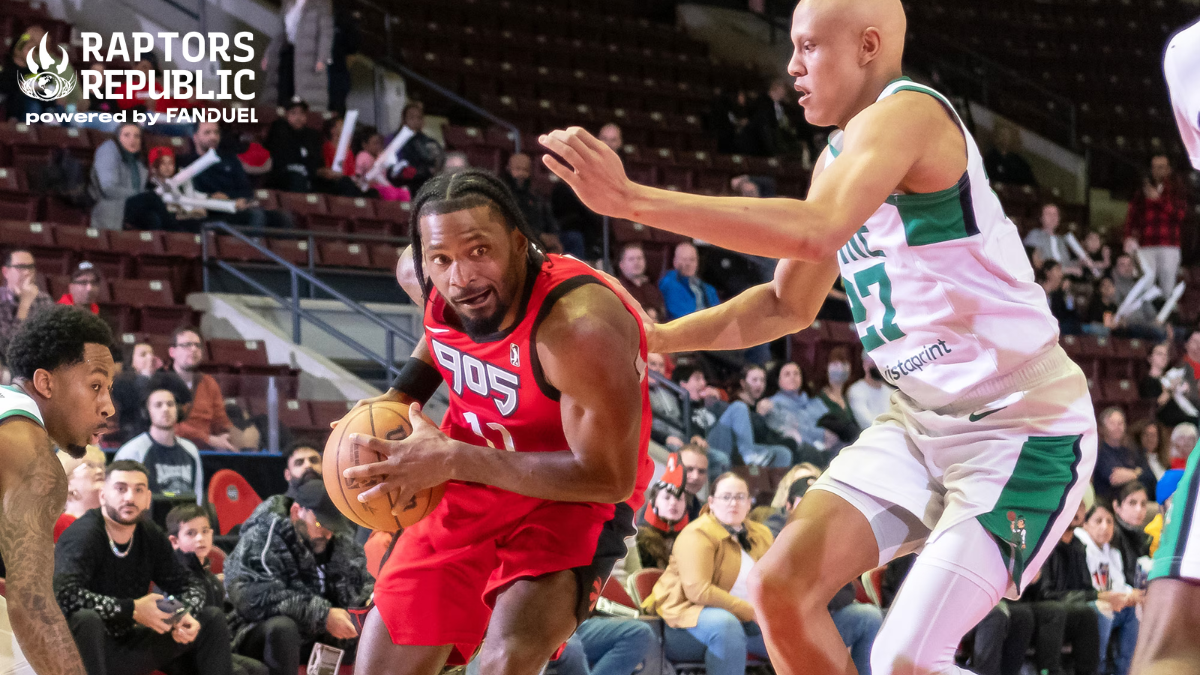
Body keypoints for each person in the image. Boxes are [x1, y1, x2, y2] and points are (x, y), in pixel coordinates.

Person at [539, 0, 1098, 670]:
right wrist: (661, 339)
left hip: (1021, 428)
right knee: (779, 586)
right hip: (918, 422)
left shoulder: (911, 113)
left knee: (906, 656)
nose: (791, 64)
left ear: (867, 45)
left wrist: (635, 200)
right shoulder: (838, 155)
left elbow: (817, 229)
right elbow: (783, 304)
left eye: (807, 47)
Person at [335, 168, 654, 675]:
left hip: (570, 494)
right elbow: (442, 330)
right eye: (441, 259)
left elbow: (608, 479)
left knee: (503, 662)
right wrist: (399, 396)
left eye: (479, 252)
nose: (460, 276)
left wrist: (456, 457)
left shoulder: (577, 329)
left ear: (518, 243)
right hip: (467, 476)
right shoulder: (428, 278)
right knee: (383, 660)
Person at [0, 306, 116, 675]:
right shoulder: (34, 459)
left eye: (109, 389)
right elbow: (31, 603)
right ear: (46, 384)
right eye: (95, 386)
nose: (108, 407)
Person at [54, 460, 233, 675]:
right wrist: (133, 609)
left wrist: (181, 613)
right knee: (86, 619)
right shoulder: (83, 534)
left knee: (211, 617)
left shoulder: (149, 533)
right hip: (84, 651)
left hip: (129, 643)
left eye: (138, 490)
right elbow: (64, 595)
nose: (129, 497)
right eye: (121, 489)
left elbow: (188, 582)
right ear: (103, 496)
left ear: (148, 499)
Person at [224, 472, 373, 675]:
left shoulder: (338, 537)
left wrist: (366, 607)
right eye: (320, 524)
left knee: (374, 626)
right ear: (296, 512)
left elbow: (362, 583)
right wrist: (322, 615)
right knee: (283, 628)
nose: (327, 533)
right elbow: (251, 596)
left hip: (318, 637)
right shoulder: (264, 534)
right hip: (254, 632)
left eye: (332, 526)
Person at [645, 473, 773, 675]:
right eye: (726, 497)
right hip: (685, 621)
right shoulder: (697, 533)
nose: (733, 503)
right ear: (711, 502)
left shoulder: (761, 534)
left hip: (746, 619)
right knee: (726, 625)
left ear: (749, 503)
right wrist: (751, 612)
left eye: (740, 497)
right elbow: (699, 591)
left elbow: (773, 581)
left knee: (800, 631)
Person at [166, 505, 269, 675]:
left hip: (214, 646)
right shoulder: (172, 574)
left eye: (205, 531)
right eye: (191, 533)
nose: (200, 538)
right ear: (174, 541)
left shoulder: (208, 574)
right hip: (185, 654)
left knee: (260, 670)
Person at [1018, 501, 1101, 675]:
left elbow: (1086, 587)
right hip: (1039, 604)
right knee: (1055, 610)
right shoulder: (1044, 539)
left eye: (1082, 507)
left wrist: (1098, 596)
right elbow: (1044, 592)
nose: (1077, 512)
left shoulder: (1078, 545)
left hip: (1063, 607)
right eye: (1074, 505)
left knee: (1088, 614)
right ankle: (1049, 671)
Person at [1075, 503, 1142, 675]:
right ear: (1085, 524)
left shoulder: (1112, 551)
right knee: (1103, 610)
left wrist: (1132, 595)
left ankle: (1126, 669)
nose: (1105, 527)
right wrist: (1123, 595)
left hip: (1111, 604)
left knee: (1134, 609)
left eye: (1109, 521)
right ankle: (1098, 669)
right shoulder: (1080, 546)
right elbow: (1089, 588)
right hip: (1088, 604)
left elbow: (1118, 584)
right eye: (1098, 521)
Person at [113, 379, 204, 502]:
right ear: (146, 412)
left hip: (184, 519)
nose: (165, 409)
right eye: (158, 405)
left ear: (178, 410)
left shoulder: (191, 450)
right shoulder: (132, 451)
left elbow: (197, 496)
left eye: (170, 404)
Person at [166, 327, 242, 452]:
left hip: (206, 450)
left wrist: (228, 435)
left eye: (197, 345)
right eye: (187, 345)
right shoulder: (160, 382)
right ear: (172, 352)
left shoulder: (208, 382)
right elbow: (167, 425)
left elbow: (220, 420)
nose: (194, 349)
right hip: (173, 448)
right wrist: (208, 439)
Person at [1122, 155, 1187, 296]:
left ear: (1168, 169)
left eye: (1161, 167)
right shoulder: (1142, 191)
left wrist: (1158, 200)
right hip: (1146, 245)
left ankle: (1165, 317)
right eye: (1154, 167)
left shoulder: (1176, 190)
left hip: (1168, 244)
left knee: (1168, 286)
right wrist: (1127, 236)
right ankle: (1145, 314)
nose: (1157, 171)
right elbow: (1132, 215)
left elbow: (1180, 214)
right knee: (1144, 284)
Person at [710, 365, 793, 468]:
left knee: (783, 453)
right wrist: (759, 416)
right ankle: (749, 456)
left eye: (762, 380)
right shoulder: (731, 403)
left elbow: (764, 437)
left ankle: (778, 483)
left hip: (745, 448)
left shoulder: (760, 405)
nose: (759, 384)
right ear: (743, 383)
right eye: (754, 380)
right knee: (740, 407)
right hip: (724, 443)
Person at [265, 0, 333, 109]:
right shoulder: (288, 2)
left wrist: (322, 57)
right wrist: (269, 54)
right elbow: (279, 32)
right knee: (283, 94)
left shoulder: (321, 3)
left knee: (304, 96)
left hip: (309, 57)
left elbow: (326, 33)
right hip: (288, 52)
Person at [89, 122, 148, 231]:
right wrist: (140, 195)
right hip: (112, 207)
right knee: (153, 200)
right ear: (118, 138)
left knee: (154, 218)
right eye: (127, 135)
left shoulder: (139, 165)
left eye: (137, 136)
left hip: (134, 209)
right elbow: (108, 189)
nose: (132, 140)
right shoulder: (108, 152)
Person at [636, 453, 690, 570]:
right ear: (654, 502)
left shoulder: (689, 542)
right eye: (666, 497)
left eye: (679, 498)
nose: (673, 503)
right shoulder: (640, 539)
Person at [765, 361, 829, 451]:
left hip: (828, 448)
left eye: (796, 374)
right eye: (787, 374)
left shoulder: (815, 401)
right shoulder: (772, 405)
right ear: (778, 380)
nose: (792, 377)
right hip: (799, 452)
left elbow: (831, 424)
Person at [1095, 408, 1156, 503]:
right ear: (1102, 428)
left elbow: (1150, 476)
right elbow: (1114, 478)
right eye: (1112, 424)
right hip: (1111, 503)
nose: (1117, 427)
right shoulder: (1099, 452)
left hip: (1140, 500)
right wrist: (1137, 472)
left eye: (1120, 423)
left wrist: (1132, 475)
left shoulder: (1133, 450)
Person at [0, 248, 53, 356]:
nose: (27, 272)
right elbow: (8, 348)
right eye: (20, 267)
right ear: (6, 272)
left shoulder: (44, 300)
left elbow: (50, 342)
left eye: (30, 267)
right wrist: (25, 304)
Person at [388, 102, 444, 197]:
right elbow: (393, 168)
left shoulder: (429, 141)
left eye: (419, 118)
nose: (415, 121)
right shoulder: (394, 139)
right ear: (404, 119)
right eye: (411, 117)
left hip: (426, 182)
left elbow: (438, 161)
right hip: (403, 183)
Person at [658, 242, 720, 321]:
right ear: (675, 262)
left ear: (697, 263)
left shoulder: (708, 289)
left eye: (692, 260)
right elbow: (683, 316)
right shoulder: (669, 284)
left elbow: (719, 314)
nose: (688, 263)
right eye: (684, 259)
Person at [1110, 482, 1151, 587]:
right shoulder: (1113, 535)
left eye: (1143, 504)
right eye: (1132, 503)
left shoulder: (1143, 536)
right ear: (1117, 506)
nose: (1139, 510)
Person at [615, 243, 667, 323]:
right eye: (631, 259)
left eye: (639, 258)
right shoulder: (617, 289)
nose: (636, 262)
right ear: (621, 265)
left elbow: (663, 314)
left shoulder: (652, 288)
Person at [846, 353, 894, 430]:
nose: (879, 368)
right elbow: (866, 423)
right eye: (874, 364)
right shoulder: (857, 390)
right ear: (865, 366)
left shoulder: (890, 391)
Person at [680, 444, 711, 521]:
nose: (696, 476)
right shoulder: (660, 505)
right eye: (689, 469)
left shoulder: (700, 509)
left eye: (702, 471)